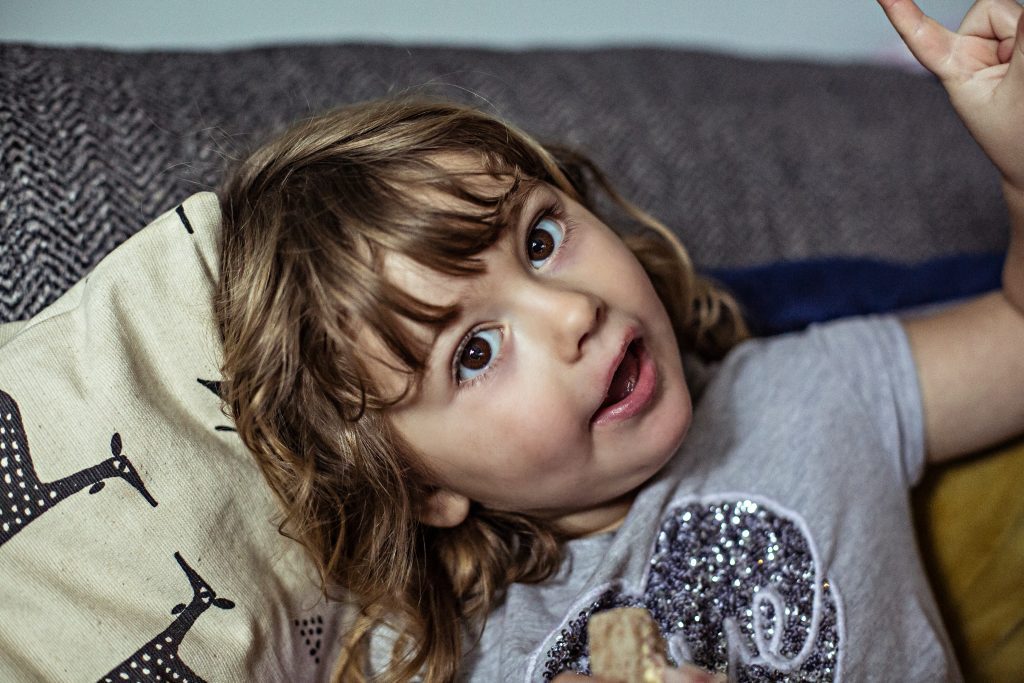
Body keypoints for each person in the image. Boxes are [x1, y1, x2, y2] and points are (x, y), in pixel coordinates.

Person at [213, 0, 1024, 680]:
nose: (572, 313)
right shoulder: (434, 656)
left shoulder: (812, 389)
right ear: (421, 487)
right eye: (474, 352)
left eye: (538, 241)